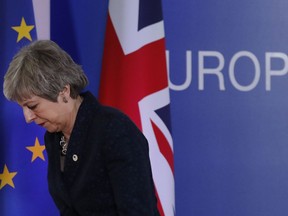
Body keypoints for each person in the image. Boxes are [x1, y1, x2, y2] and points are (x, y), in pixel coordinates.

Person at [3, 40, 160, 216]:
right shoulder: (55, 138)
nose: (28, 117)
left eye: (32, 106)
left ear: (63, 91)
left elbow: (138, 211)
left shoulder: (114, 129)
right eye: (22, 108)